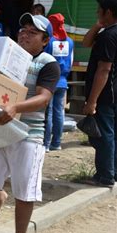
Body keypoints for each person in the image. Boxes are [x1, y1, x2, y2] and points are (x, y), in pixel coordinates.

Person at [0, 13, 60, 233]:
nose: (24, 34)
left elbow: (44, 98)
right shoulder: (8, 57)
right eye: (23, 29)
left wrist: (16, 108)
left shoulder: (48, 63)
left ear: (44, 40)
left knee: (25, 193)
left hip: (28, 135)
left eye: (32, 32)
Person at [82, 0, 117, 188]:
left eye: (99, 11)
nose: (97, 13)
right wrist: (98, 25)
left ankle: (105, 176)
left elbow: (103, 70)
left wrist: (92, 101)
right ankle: (114, 172)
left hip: (106, 95)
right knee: (113, 134)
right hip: (115, 93)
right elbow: (86, 42)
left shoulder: (109, 36)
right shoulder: (108, 33)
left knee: (104, 135)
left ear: (108, 12)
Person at [44, 13, 74, 151]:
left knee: (47, 112)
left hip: (49, 81)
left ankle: (45, 144)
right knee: (59, 112)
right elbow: (71, 62)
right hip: (62, 81)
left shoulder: (48, 41)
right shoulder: (70, 41)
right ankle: (56, 143)